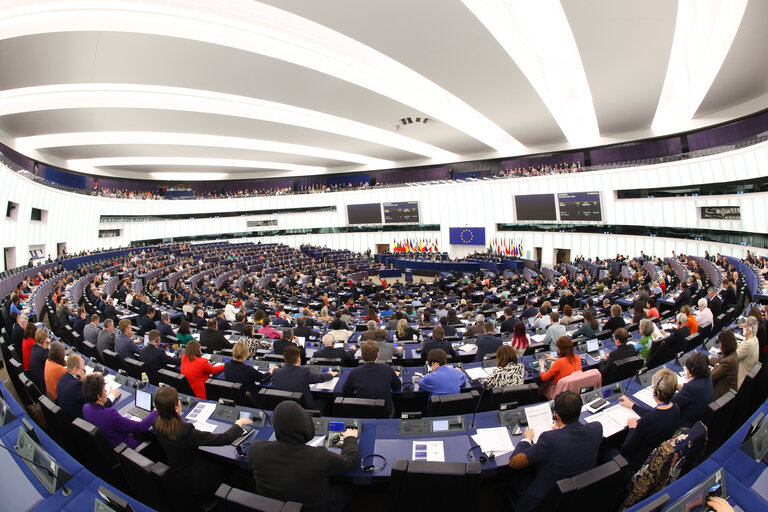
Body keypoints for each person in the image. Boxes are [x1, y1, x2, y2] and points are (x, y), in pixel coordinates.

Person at [247, 401, 358, 512]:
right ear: (307, 427)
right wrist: (351, 438)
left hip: (272, 508)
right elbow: (350, 461)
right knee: (346, 487)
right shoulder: (320, 457)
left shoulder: (255, 449)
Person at [507, 391, 603, 512]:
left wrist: (527, 439)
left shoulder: (550, 439)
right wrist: (562, 430)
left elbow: (514, 462)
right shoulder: (596, 428)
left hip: (546, 501)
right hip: (577, 496)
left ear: (556, 416)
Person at [153, 386, 252, 498]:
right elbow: (224, 439)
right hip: (199, 482)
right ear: (176, 408)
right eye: (178, 400)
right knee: (228, 465)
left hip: (179, 473)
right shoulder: (185, 430)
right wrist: (238, 424)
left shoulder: (156, 423)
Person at [619, 368, 681, 474]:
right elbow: (654, 413)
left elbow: (625, 450)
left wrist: (632, 428)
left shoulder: (648, 421)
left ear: (656, 392)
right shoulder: (675, 408)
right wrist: (632, 405)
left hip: (638, 466)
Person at [82, 373, 156, 449]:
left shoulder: (85, 408)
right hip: (127, 449)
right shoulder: (110, 414)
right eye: (104, 390)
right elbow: (140, 427)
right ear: (99, 397)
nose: (106, 390)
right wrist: (155, 411)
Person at [342, 341, 401, 418]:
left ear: (362, 356)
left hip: (362, 411)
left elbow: (346, 391)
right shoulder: (387, 369)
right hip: (385, 412)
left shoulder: (354, 372)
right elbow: (397, 386)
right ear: (377, 355)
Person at [272, 346, 338, 410]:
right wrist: (330, 374)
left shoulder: (276, 372)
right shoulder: (304, 371)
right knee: (326, 400)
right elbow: (320, 378)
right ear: (298, 359)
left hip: (286, 407)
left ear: (285, 358)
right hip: (305, 408)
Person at [57, 353, 119, 420]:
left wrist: (89, 377)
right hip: (82, 425)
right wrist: (113, 395)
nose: (85, 373)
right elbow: (98, 405)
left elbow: (78, 380)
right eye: (84, 371)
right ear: (76, 370)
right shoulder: (76, 386)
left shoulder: (62, 379)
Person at [673, 352, 713, 428]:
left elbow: (673, 401)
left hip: (684, 424)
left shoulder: (691, 387)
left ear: (692, 370)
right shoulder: (708, 377)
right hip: (697, 420)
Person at [710, 330, 739, 400]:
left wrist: (716, 366)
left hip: (721, 395)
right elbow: (719, 360)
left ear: (724, 344)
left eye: (720, 343)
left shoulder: (728, 362)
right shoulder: (733, 354)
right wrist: (707, 360)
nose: (720, 346)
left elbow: (711, 377)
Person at [735, 316, 759, 388]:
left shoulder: (749, 344)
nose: (743, 328)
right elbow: (743, 349)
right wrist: (734, 342)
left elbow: (733, 357)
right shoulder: (755, 339)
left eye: (745, 326)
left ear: (749, 331)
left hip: (739, 382)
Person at [29, 329, 50, 395]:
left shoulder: (34, 348)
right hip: (44, 383)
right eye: (46, 341)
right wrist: (48, 348)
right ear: (41, 342)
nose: (47, 342)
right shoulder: (42, 352)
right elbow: (53, 360)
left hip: (38, 381)